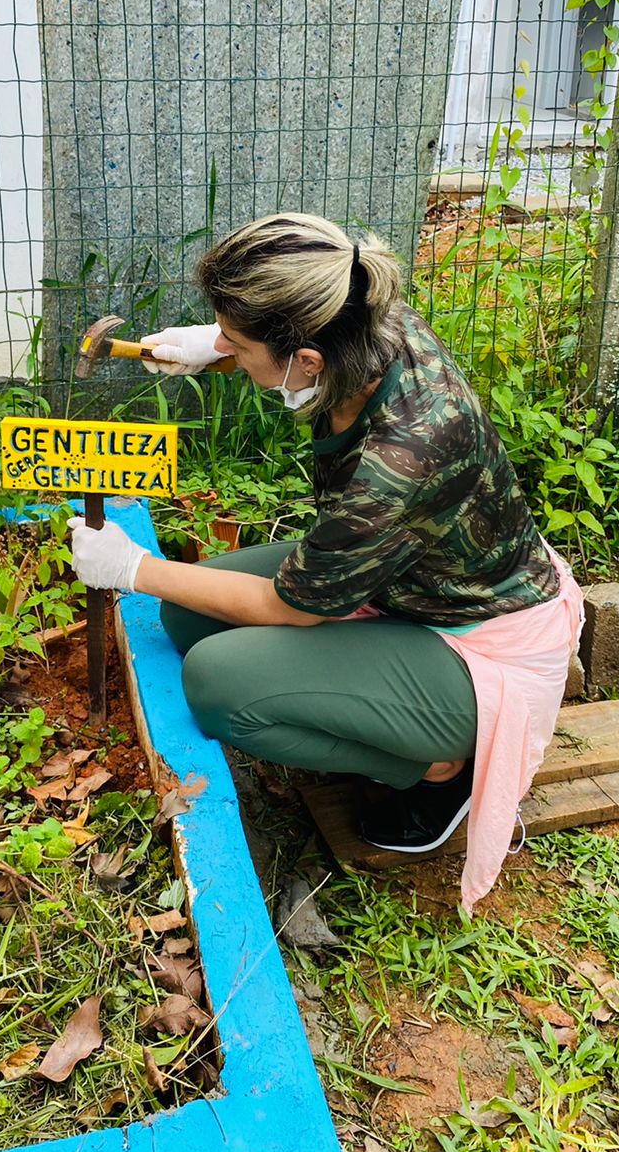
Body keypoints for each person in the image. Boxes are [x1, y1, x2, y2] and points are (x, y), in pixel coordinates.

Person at [69, 212, 583, 911]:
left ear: (307, 360)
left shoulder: (402, 457)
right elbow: (287, 353)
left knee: (217, 683)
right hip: (408, 579)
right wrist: (211, 348)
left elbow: (289, 608)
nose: (233, 353)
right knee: (187, 613)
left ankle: (440, 767)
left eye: (241, 345)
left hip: (476, 644)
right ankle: (384, 700)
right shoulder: (363, 308)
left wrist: (130, 568)